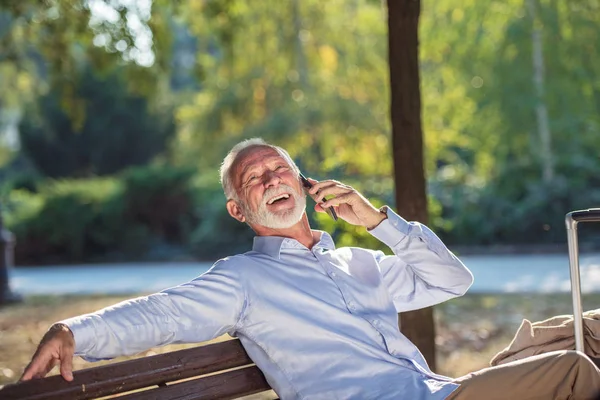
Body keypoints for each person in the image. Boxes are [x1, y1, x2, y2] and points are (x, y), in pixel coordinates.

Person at [21, 138, 600, 399]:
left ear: (305, 184)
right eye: (255, 178)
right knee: (575, 369)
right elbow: (164, 314)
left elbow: (453, 281)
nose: (272, 179)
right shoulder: (243, 280)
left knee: (589, 338)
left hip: (438, 391)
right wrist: (74, 331)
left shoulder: (358, 262)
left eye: (280, 169)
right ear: (238, 209)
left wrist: (378, 220)